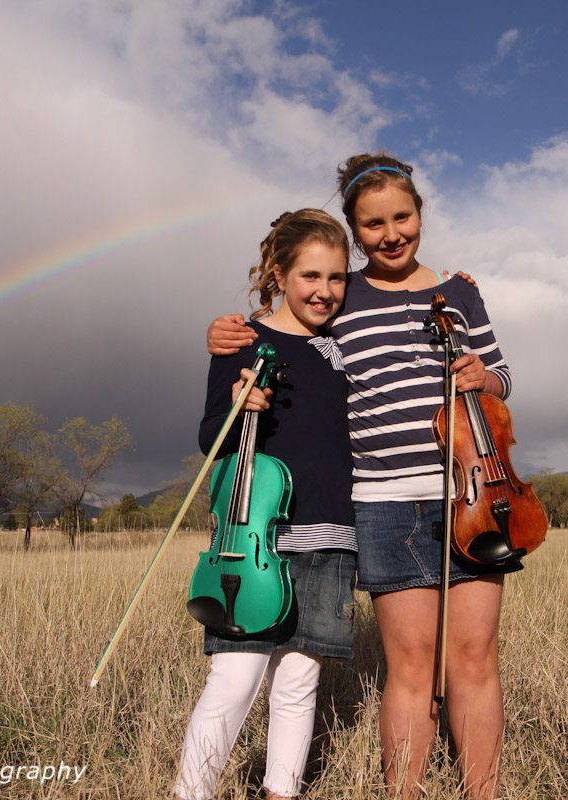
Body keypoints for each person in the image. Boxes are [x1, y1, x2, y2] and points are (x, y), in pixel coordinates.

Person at [207, 154, 517, 800]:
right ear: (355, 230)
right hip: (381, 504)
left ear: (420, 214)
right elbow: (288, 324)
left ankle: (482, 791)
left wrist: (483, 378)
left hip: (470, 496)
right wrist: (228, 334)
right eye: (372, 224)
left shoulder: (460, 293)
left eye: (402, 216)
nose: (391, 233)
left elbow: (503, 378)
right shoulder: (343, 298)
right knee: (409, 665)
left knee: (474, 659)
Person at [176, 209, 358, 800]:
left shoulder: (341, 348)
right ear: (279, 274)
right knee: (234, 680)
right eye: (310, 276)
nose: (324, 291)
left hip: (330, 537)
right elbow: (211, 442)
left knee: (298, 684)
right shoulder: (243, 340)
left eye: (336, 278)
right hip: (256, 541)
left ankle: (283, 791)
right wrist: (236, 407)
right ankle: (191, 791)